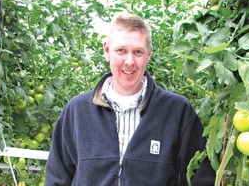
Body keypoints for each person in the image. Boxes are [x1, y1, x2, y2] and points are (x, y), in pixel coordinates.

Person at [45, 13, 216, 185]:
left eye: (138, 52)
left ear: (148, 54)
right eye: (121, 50)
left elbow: (201, 178)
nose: (129, 61)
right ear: (107, 51)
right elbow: (57, 179)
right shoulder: (77, 112)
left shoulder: (177, 112)